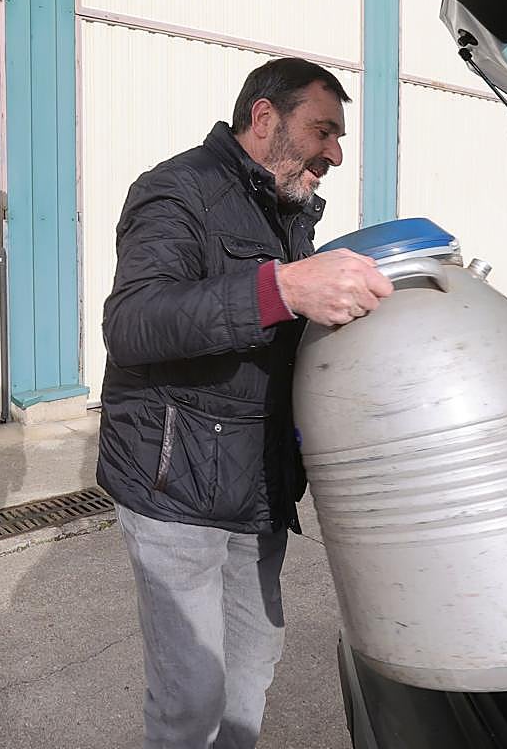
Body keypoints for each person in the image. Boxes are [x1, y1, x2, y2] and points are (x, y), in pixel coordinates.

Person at [97, 58, 394, 748]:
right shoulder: (176, 191)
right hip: (176, 490)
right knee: (192, 696)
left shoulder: (286, 206)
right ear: (264, 118)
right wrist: (282, 289)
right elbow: (134, 322)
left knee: (253, 668)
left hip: (257, 487)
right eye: (323, 130)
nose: (337, 153)